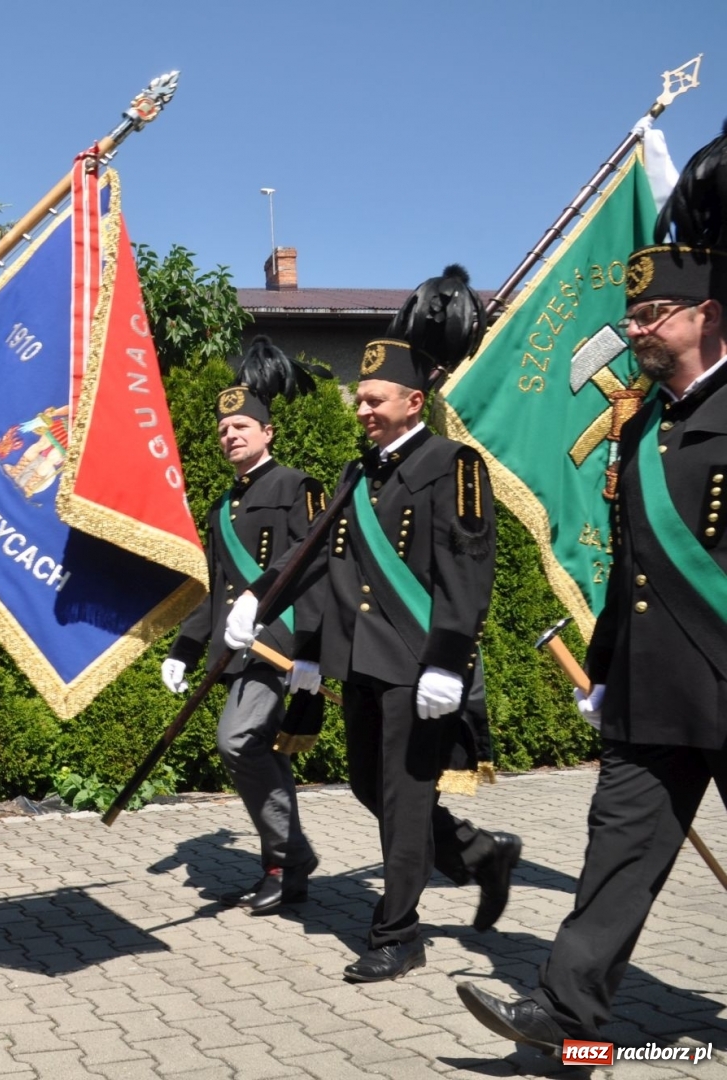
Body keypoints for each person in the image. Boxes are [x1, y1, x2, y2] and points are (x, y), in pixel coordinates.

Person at [458, 123, 727, 1052]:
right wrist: (605, 670)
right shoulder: (637, 430)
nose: (637, 331)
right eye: (635, 316)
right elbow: (631, 570)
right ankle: (565, 1016)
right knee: (615, 857)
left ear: (707, 314)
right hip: (652, 691)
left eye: (654, 317)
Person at [228, 266, 522, 983]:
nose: (360, 409)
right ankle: (477, 855)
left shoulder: (452, 465)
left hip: (416, 666)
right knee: (369, 786)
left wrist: (449, 660)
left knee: (399, 796)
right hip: (358, 661)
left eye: (373, 399)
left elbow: (465, 571)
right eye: (357, 399)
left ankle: (397, 932)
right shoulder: (356, 477)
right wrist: (261, 606)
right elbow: (312, 561)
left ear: (412, 401)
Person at [163, 337, 328, 914]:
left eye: (242, 426)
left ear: (267, 432)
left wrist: (280, 622)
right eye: (224, 428)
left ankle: (291, 855)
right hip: (237, 650)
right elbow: (215, 587)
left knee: (237, 740)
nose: (231, 434)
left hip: (279, 644)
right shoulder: (220, 508)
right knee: (261, 752)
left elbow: (313, 557)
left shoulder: (297, 486)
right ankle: (285, 866)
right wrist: (185, 647)